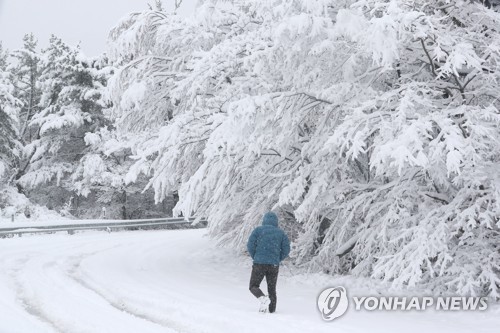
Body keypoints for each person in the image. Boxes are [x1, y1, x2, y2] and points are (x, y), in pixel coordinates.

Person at [247, 211, 290, 313]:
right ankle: (272, 311)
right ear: (276, 222)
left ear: (264, 220)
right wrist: (277, 258)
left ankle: (263, 298)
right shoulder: (281, 233)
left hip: (259, 264)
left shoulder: (258, 231)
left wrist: (256, 256)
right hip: (273, 265)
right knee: (272, 289)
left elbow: (250, 245)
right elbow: (286, 249)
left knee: (253, 286)